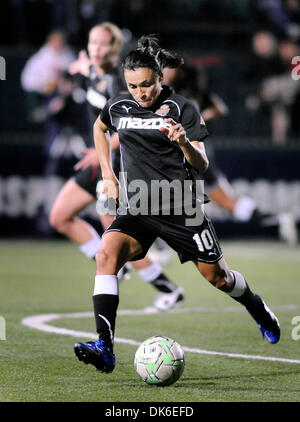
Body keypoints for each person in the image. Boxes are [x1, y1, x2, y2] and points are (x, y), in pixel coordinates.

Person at [74, 35, 280, 374]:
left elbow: (202, 165)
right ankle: (104, 347)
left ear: (160, 77)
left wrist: (184, 141)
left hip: (181, 209)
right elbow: (100, 127)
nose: (141, 92)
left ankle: (257, 307)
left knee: (219, 278)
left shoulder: (183, 108)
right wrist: (108, 175)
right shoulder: (118, 107)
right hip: (138, 207)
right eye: (133, 86)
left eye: (146, 85)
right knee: (105, 255)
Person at [49, 23, 184, 312]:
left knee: (116, 235)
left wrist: (103, 150)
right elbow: (93, 78)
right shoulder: (96, 73)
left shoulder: (118, 80)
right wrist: (85, 68)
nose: (96, 49)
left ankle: (166, 286)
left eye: (103, 44)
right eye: (92, 43)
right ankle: (126, 269)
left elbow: (128, 126)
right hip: (98, 162)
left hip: (117, 165)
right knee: (60, 217)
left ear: (114, 48)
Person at [163, 63, 298, 246]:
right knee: (219, 202)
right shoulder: (182, 93)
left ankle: (161, 250)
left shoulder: (182, 95)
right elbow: (218, 109)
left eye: (167, 68)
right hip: (187, 154)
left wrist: (195, 121)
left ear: (179, 71)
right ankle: (279, 220)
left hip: (191, 155)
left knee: (220, 202)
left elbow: (219, 108)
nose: (164, 72)